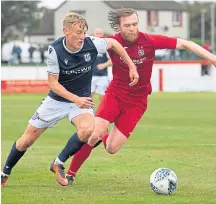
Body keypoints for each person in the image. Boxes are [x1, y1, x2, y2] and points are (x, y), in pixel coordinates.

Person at [66, 8, 216, 185]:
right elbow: (82, 44)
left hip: (137, 102)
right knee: (93, 133)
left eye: (135, 24)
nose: (132, 28)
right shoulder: (112, 41)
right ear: (119, 27)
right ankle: (70, 174)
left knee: (112, 148)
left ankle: (103, 134)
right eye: (127, 25)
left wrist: (211, 57)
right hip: (115, 94)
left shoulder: (149, 40)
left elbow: (185, 44)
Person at [1, 12, 138, 188]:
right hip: (56, 101)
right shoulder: (55, 50)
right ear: (66, 31)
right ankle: (4, 172)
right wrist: (76, 99)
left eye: (84, 32)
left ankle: (58, 162)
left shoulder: (91, 44)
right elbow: (53, 84)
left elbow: (114, 44)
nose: (82, 36)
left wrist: (131, 66)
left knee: (88, 129)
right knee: (27, 140)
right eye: (78, 32)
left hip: (80, 102)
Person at [91, 28, 112, 100]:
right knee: (88, 98)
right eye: (97, 33)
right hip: (90, 76)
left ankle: (101, 111)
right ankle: (88, 111)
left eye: (100, 34)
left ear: (103, 35)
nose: (98, 35)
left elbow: (111, 60)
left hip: (102, 76)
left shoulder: (106, 46)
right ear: (93, 35)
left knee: (103, 98)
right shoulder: (89, 46)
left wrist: (104, 65)